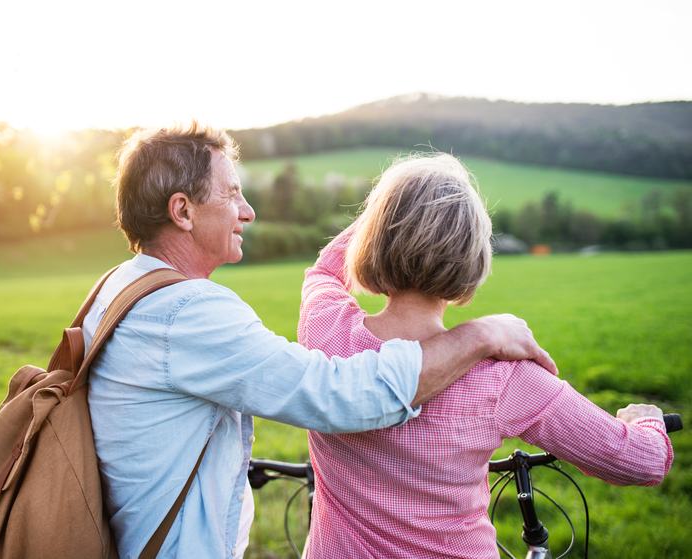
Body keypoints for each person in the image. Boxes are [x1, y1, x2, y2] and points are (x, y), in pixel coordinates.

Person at [83, 123, 556, 559]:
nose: (247, 211)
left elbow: (325, 277)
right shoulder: (186, 314)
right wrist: (480, 334)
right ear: (183, 211)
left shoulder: (120, 287)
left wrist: (398, 210)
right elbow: (342, 396)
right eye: (232, 194)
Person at [298, 153, 674, 558]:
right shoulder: (504, 379)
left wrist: (393, 212)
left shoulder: (326, 332)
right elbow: (643, 462)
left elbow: (323, 271)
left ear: (371, 239)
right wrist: (647, 421)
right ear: (472, 261)